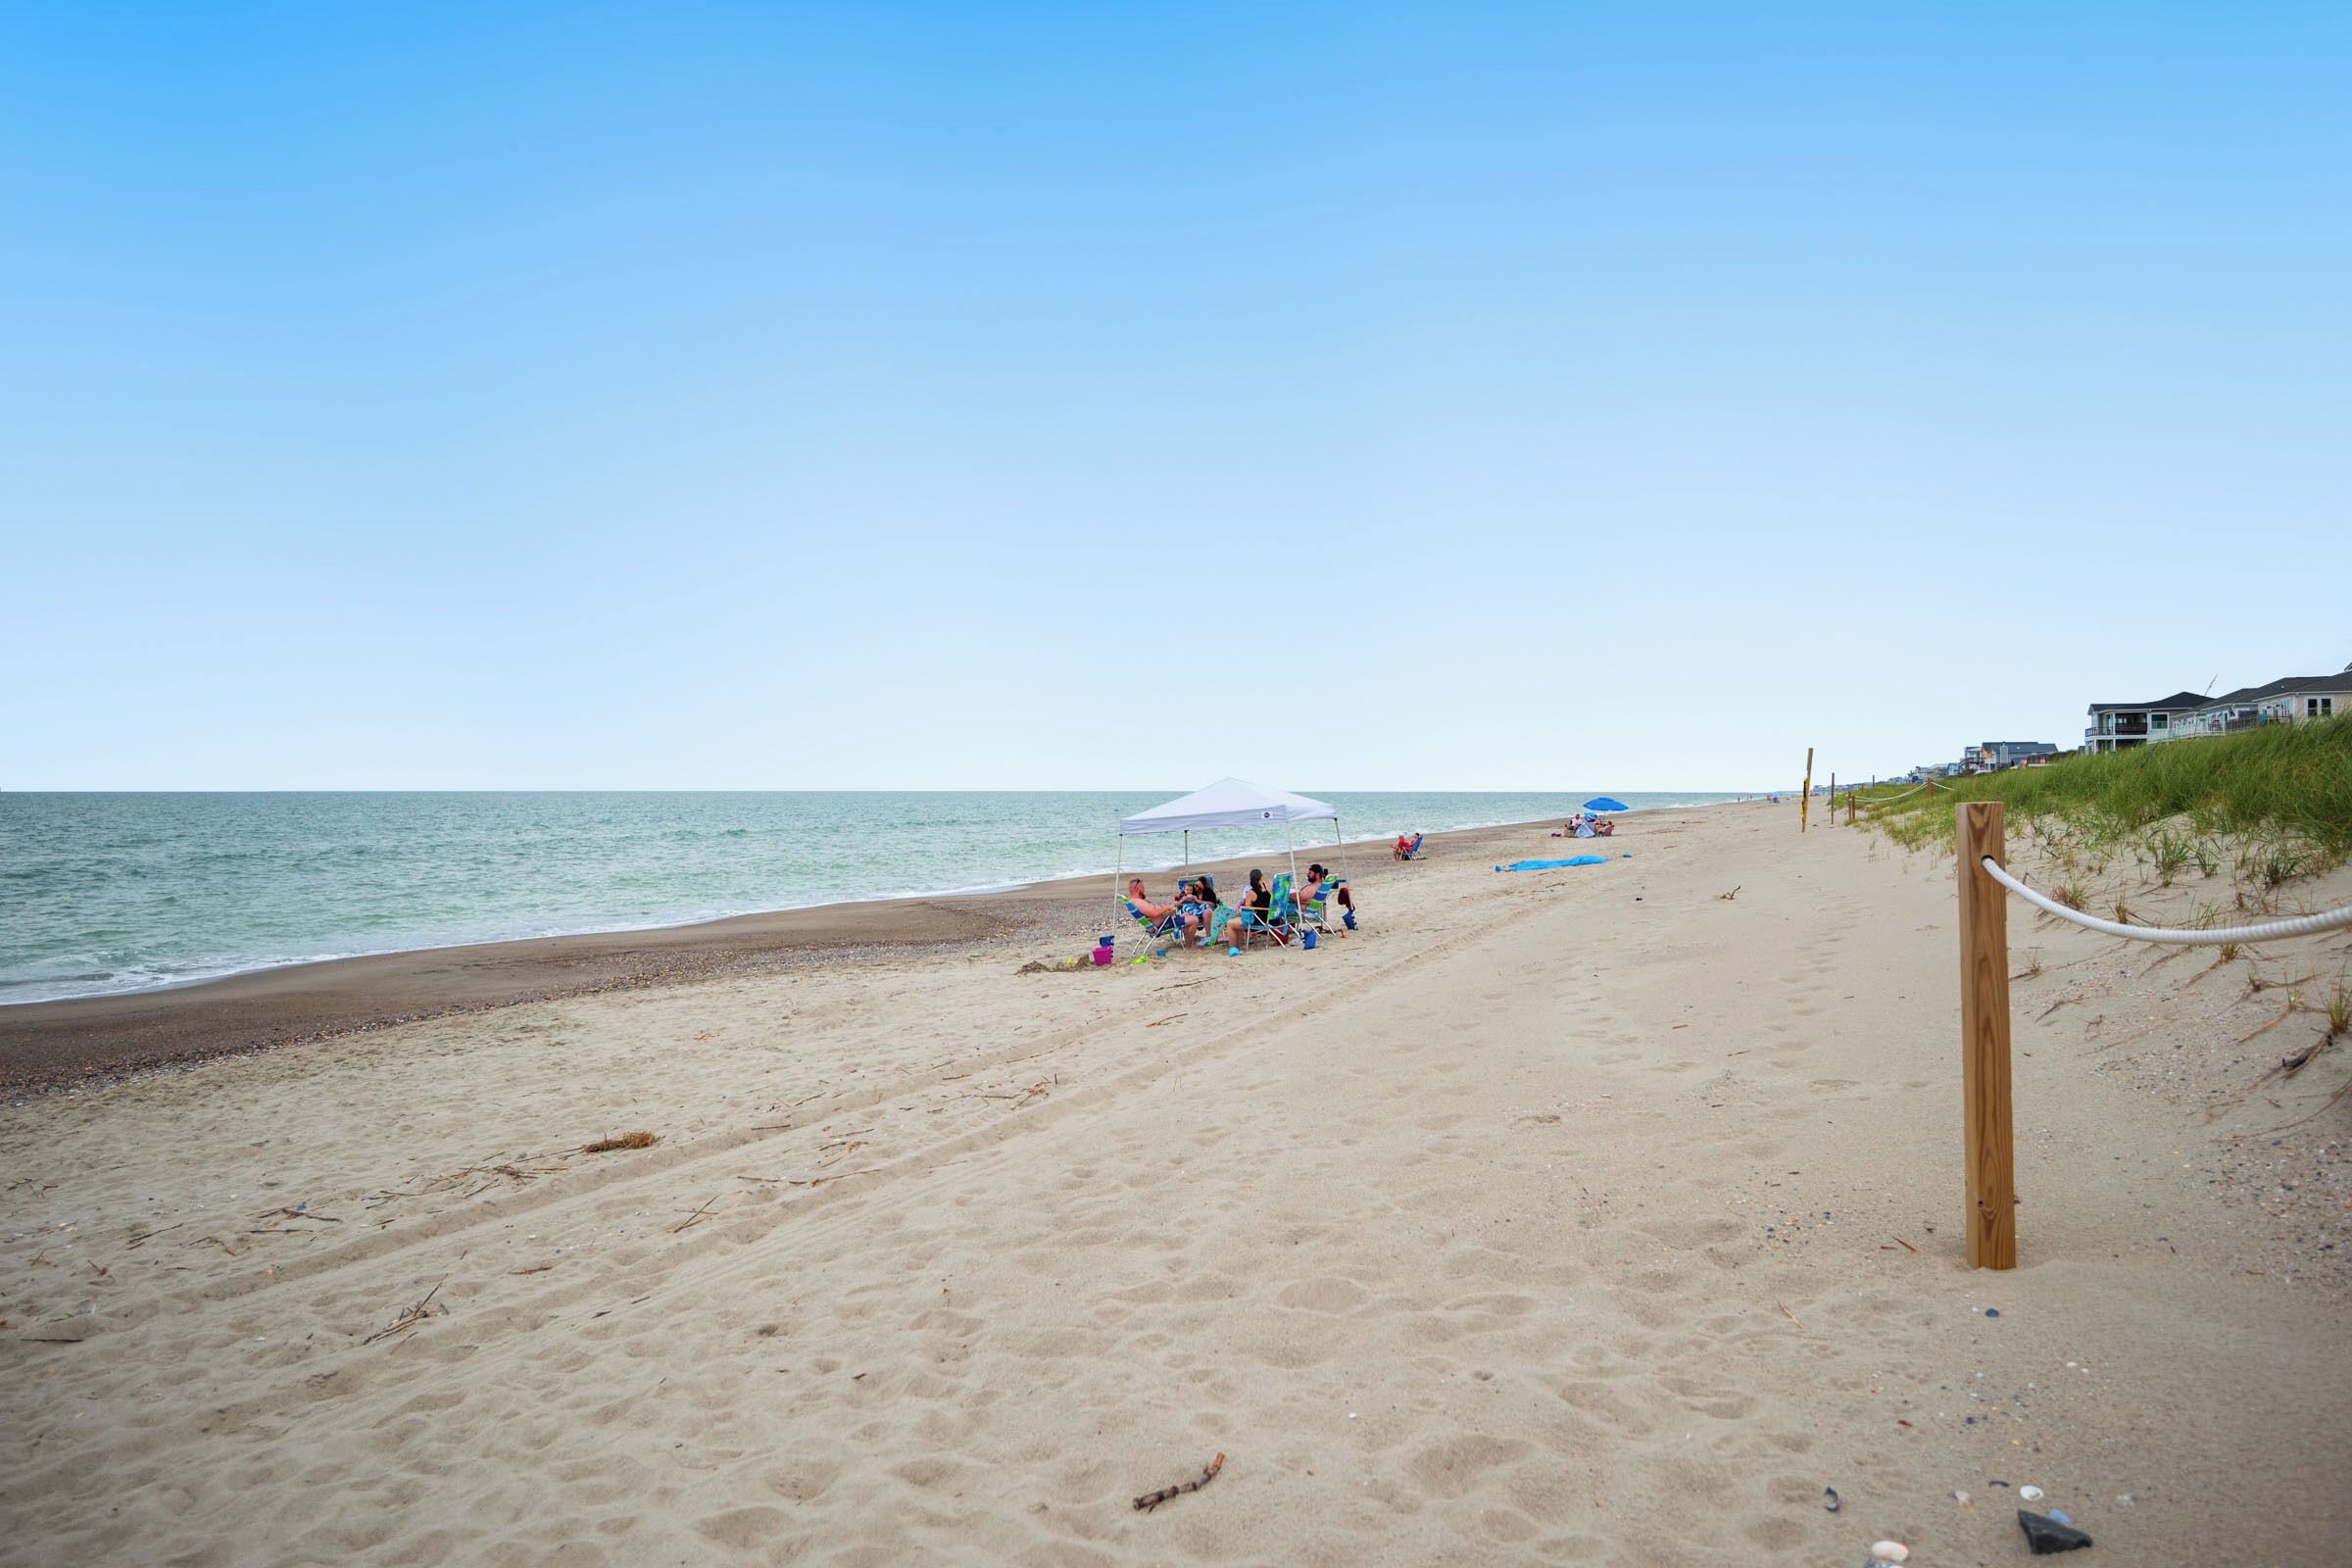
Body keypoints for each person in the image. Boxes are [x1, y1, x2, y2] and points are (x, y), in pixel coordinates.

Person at [1126, 878, 1200, 944]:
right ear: (1138, 888)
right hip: (1163, 924)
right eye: (1143, 887)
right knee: (1194, 920)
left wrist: (1165, 909)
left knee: (1188, 914)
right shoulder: (1139, 902)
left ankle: (1188, 942)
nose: (1144, 889)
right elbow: (1153, 913)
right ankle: (1189, 946)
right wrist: (1167, 908)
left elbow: (1151, 914)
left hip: (1164, 920)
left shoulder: (1134, 901)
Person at [1219, 868, 1272, 953]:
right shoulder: (1267, 888)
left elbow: (1248, 911)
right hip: (1269, 919)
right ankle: (1237, 947)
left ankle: (1233, 948)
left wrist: (1239, 912)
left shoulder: (1251, 893)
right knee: (1236, 922)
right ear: (1261, 877)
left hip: (1257, 921)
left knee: (1230, 923)